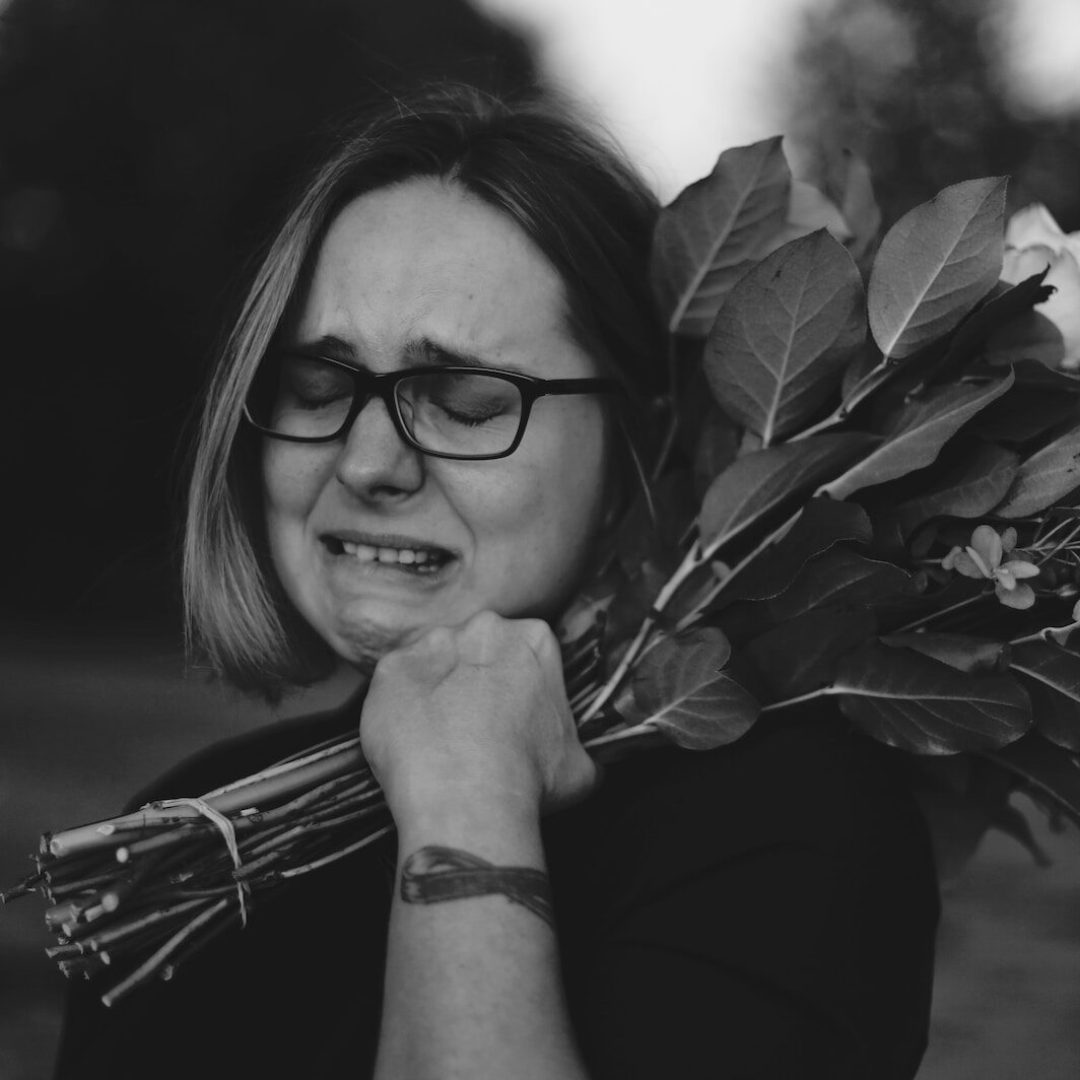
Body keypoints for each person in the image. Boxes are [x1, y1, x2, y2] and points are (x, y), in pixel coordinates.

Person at [53, 84, 939, 1080]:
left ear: (640, 445)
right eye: (317, 387)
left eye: (466, 400)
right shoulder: (189, 828)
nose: (366, 462)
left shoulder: (787, 830)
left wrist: (466, 802)